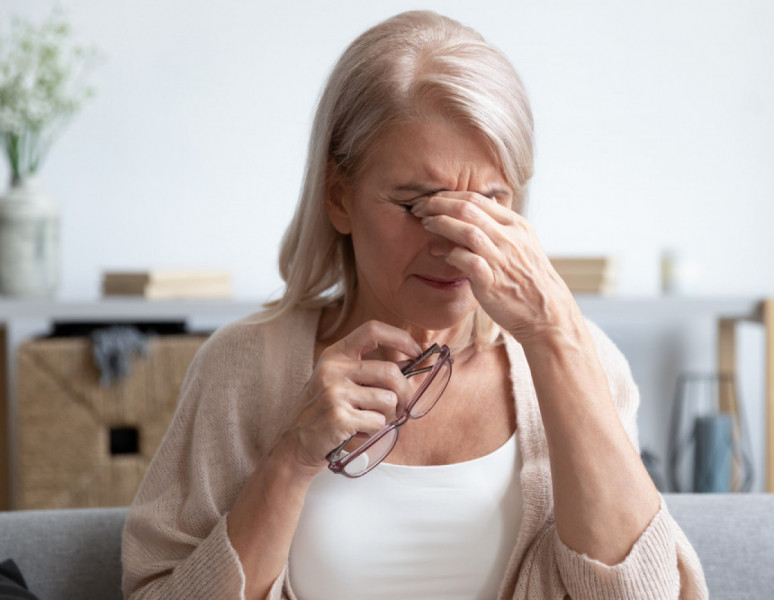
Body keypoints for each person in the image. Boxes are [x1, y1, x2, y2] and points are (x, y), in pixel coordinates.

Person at [122, 10, 707, 600]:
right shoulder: (242, 367)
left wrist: (556, 335)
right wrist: (290, 460)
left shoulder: (582, 362)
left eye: (490, 203)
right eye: (418, 204)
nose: (457, 243)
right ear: (339, 197)